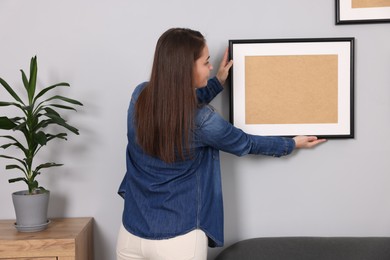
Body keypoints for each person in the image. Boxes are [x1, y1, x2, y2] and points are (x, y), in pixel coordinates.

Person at [116, 28, 326, 260]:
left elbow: (175, 109)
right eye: (206, 62)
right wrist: (291, 144)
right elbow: (244, 143)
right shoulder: (204, 121)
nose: (211, 66)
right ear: (185, 69)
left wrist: (216, 83)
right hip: (178, 240)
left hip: (131, 233)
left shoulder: (140, 95)